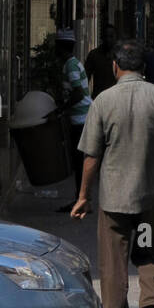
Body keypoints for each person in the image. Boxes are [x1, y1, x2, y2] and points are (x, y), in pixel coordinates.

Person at [71, 38, 154, 308]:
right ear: (144, 68)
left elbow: (91, 155)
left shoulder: (103, 101)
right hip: (149, 200)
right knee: (149, 253)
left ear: (114, 66)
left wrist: (83, 195)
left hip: (113, 202)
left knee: (113, 267)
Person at [54, 29, 91, 210]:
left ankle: (81, 201)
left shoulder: (71, 65)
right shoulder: (73, 63)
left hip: (80, 120)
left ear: (61, 47)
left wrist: (62, 109)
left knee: (79, 161)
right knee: (80, 161)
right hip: (81, 119)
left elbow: (78, 94)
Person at [84, 25, 117, 99]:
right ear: (102, 37)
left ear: (115, 38)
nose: (108, 39)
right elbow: (85, 78)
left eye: (111, 36)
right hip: (98, 98)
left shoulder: (120, 56)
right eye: (106, 36)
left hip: (116, 99)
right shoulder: (94, 55)